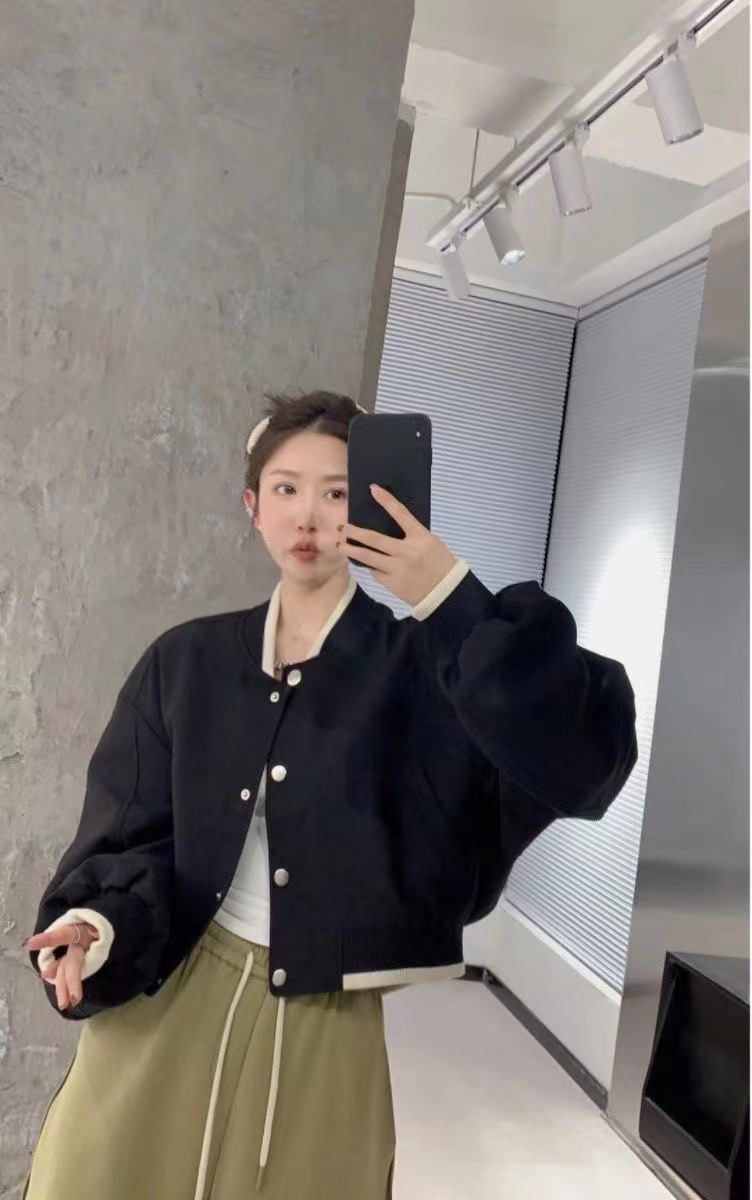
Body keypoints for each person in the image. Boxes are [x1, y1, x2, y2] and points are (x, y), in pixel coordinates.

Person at [23, 390, 638, 1200]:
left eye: (338, 492)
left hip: (328, 1027)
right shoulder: (186, 662)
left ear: (379, 505)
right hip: (167, 1001)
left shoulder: (426, 671)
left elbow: (585, 762)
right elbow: (137, 834)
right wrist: (97, 921)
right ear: (253, 506)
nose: (309, 514)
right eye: (286, 488)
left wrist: (450, 596)